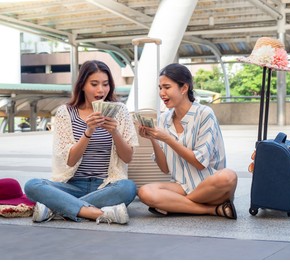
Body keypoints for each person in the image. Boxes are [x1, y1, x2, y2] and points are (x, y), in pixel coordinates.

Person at [24, 60, 138, 225]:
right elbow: (69, 160)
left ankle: (57, 208)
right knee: (32, 185)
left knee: (128, 188)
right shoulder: (66, 112)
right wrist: (88, 131)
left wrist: (114, 132)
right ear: (82, 85)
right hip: (71, 185)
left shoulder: (120, 111)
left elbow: (127, 158)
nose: (101, 90)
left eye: (105, 84)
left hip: (106, 185)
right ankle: (97, 212)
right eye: (94, 84)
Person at [137, 63, 238, 219]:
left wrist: (168, 139)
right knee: (144, 192)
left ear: (184, 88)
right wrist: (153, 139)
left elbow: (199, 162)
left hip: (210, 186)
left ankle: (175, 205)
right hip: (181, 187)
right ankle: (212, 210)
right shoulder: (164, 119)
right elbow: (164, 168)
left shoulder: (205, 114)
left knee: (228, 176)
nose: (162, 93)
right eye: (160, 88)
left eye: (167, 87)